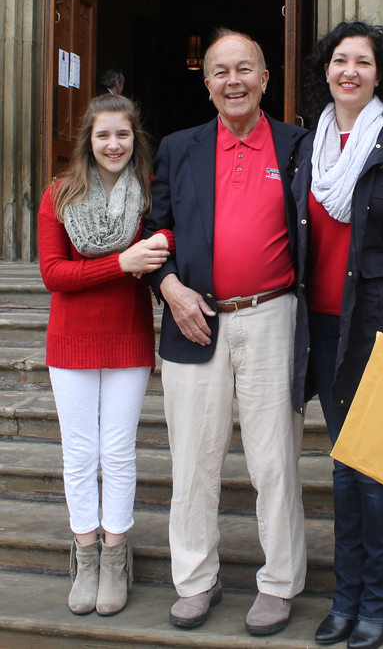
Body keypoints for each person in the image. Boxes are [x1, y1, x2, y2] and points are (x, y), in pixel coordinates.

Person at [142, 28, 311, 636]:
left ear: (266, 79)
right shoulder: (180, 148)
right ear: (207, 82)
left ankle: (280, 581)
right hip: (194, 316)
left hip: (273, 317)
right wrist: (168, 287)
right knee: (192, 460)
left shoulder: (300, 146)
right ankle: (195, 579)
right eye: (221, 71)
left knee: (275, 461)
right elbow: (154, 234)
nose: (233, 81)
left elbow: (343, 211)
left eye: (245, 69)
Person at [293, 22, 383, 649]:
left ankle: (376, 602)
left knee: (374, 472)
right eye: (338, 60)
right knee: (343, 468)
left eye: (362, 61)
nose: (348, 71)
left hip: (382, 325)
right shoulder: (308, 146)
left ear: (381, 72)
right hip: (323, 328)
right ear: (325, 70)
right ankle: (346, 597)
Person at [38, 94, 172, 617]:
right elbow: (54, 274)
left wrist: (158, 243)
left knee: (117, 451)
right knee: (79, 453)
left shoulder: (148, 196)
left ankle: (115, 555)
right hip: (70, 341)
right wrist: (123, 262)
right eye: (102, 135)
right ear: (88, 141)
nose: (113, 145)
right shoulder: (60, 195)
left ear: (133, 139)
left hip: (128, 338)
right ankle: (85, 553)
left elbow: (172, 233)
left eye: (122, 135)